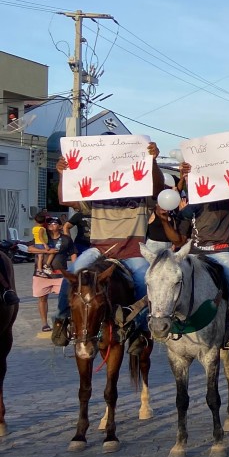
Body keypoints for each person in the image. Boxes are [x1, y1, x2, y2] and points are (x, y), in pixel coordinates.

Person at [53, 141, 164, 353]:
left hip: (133, 251)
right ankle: (61, 320)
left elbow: (158, 189)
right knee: (74, 275)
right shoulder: (95, 192)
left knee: (145, 283)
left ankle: (139, 330)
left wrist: (153, 161)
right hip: (100, 249)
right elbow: (65, 198)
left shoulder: (141, 191)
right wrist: (62, 174)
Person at [34, 216, 73, 332]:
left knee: (66, 298)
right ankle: (44, 323)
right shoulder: (42, 236)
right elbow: (29, 249)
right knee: (42, 298)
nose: (51, 224)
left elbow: (73, 253)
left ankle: (63, 322)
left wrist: (77, 268)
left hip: (60, 274)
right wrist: (46, 251)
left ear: (60, 226)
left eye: (55, 223)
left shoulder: (66, 239)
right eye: (50, 222)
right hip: (41, 275)